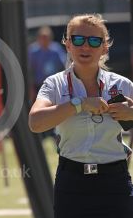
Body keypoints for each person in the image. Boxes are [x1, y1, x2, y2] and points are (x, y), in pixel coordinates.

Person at [29, 13, 133, 218]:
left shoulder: (121, 85)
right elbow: (35, 122)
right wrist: (80, 104)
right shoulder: (55, 84)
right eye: (78, 39)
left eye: (94, 41)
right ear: (67, 44)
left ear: (105, 47)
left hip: (115, 182)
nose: (85, 47)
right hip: (72, 182)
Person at [28, 26, 66, 101]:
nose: (44, 40)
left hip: (54, 85)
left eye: (47, 37)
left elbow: (63, 66)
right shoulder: (33, 51)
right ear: (38, 38)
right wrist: (31, 87)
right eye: (42, 37)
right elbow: (30, 70)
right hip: (38, 85)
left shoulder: (56, 50)